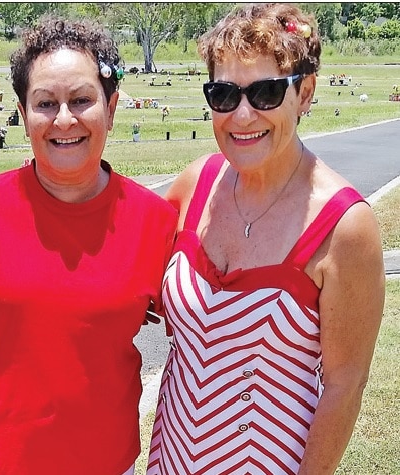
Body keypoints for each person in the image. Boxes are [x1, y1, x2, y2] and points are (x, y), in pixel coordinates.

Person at [146, 4, 385, 475]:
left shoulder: (345, 226)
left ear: (306, 92)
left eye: (266, 92)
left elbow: (344, 384)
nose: (242, 114)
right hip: (169, 461)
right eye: (223, 94)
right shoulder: (196, 183)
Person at [0, 16, 178, 475]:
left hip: (108, 463)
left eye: (82, 100)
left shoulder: (155, 222)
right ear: (22, 111)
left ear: (110, 108)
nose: (64, 119)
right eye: (46, 103)